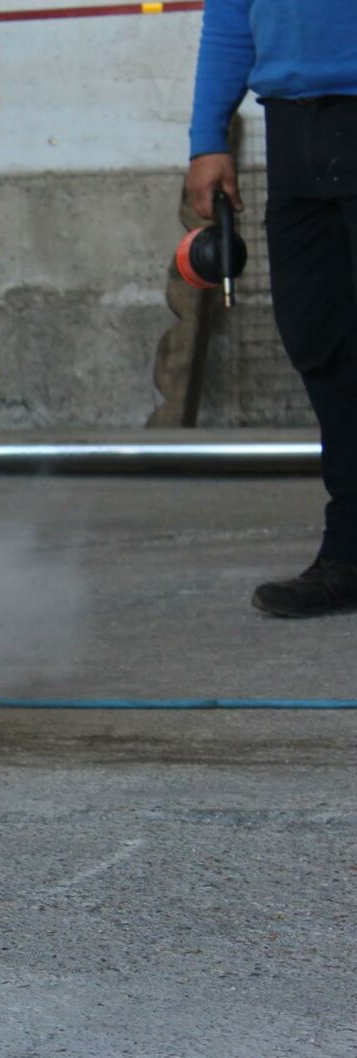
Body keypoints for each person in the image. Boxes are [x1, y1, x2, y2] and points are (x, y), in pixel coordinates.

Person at [186, 0, 357, 617]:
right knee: (321, 339)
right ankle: (350, 553)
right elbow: (230, 17)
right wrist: (208, 137)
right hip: (292, 132)